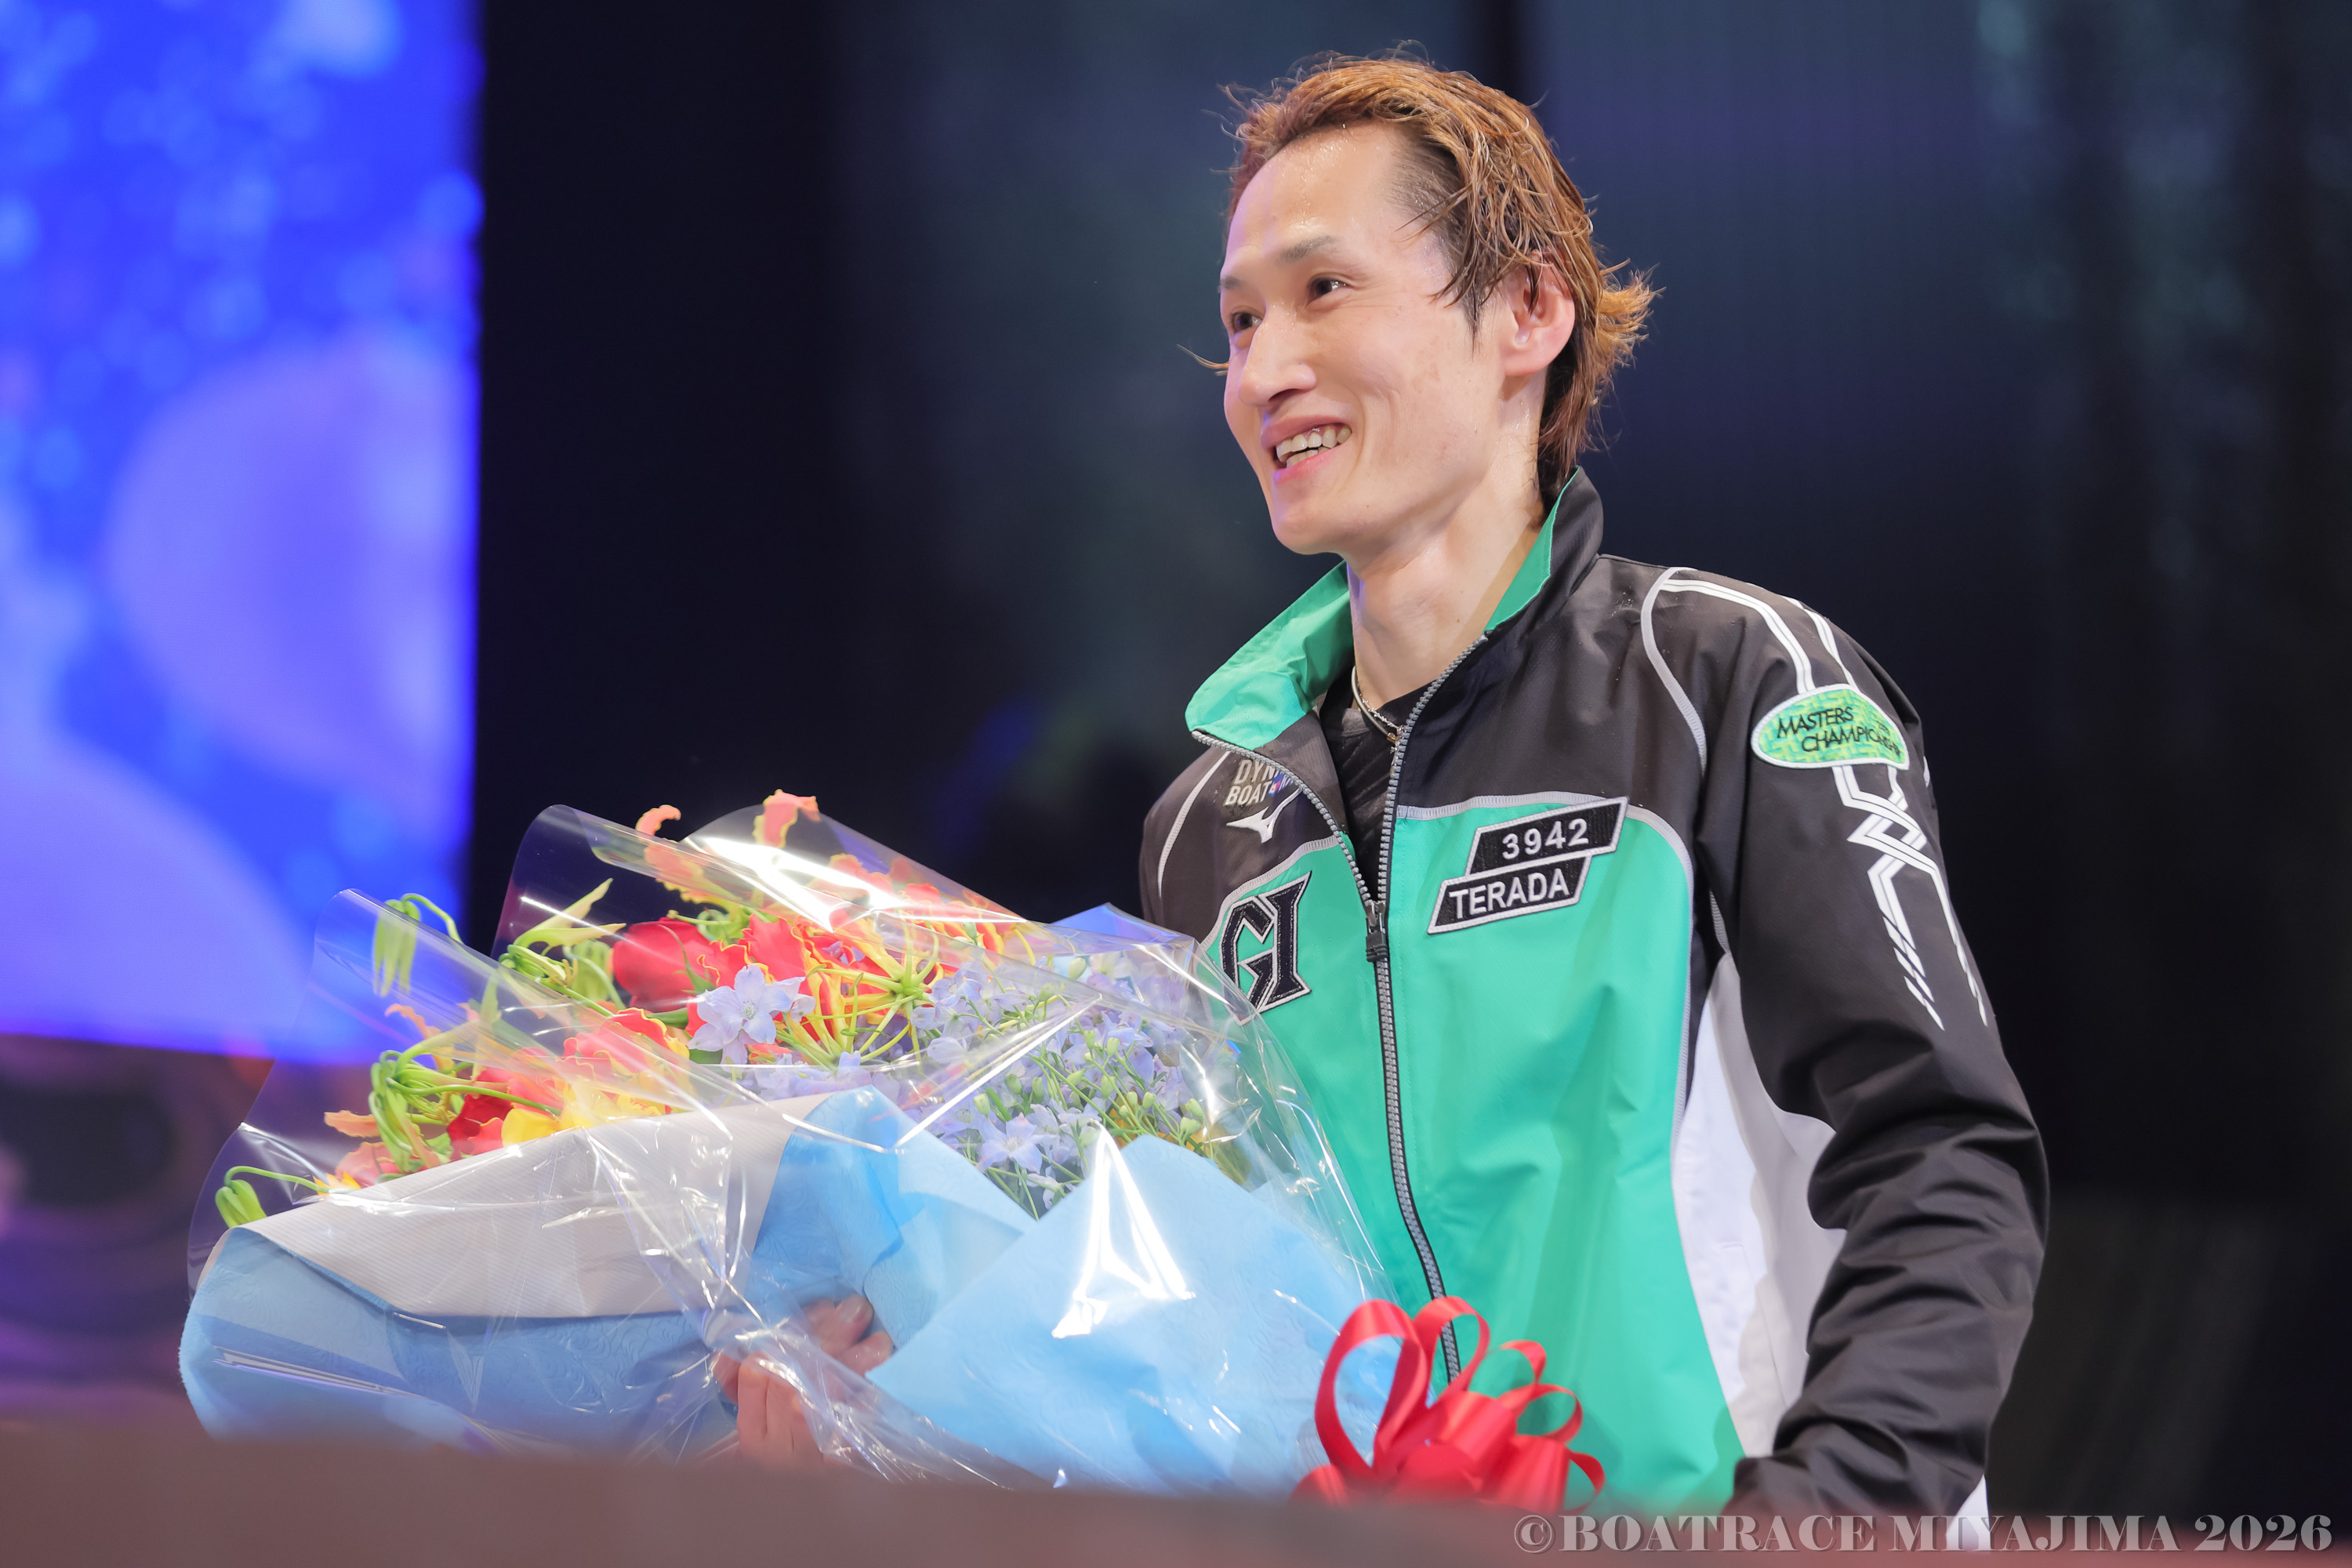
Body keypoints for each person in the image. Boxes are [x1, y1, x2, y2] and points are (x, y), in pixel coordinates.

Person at [1134, 56, 2044, 1517]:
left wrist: (1819, 1530)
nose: (1264, 371)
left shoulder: (1730, 682)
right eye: (1242, 321)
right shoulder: (1206, 829)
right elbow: (1209, 1305)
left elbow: (1941, 1159)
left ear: (1528, 313)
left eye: (1323, 291)